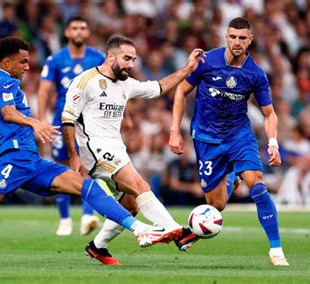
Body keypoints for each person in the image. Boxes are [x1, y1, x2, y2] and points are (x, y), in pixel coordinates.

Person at [0, 36, 183, 255]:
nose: (27, 67)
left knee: (85, 187)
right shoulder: (6, 82)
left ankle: (138, 229)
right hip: (9, 161)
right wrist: (34, 123)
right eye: (23, 61)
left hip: (31, 161)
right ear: (8, 61)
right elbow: (10, 112)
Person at [61, 35, 205, 266]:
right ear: (110, 56)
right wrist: (74, 157)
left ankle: (97, 246)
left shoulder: (126, 84)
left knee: (131, 204)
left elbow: (159, 87)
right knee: (141, 186)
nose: (131, 64)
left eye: (134, 59)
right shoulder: (85, 81)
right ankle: (177, 232)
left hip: (116, 148)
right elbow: (67, 120)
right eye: (127, 58)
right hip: (95, 149)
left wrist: (188, 68)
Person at [168, 17, 289, 266]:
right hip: (207, 138)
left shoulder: (255, 74)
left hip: (239, 136)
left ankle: (276, 250)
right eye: (232, 37)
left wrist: (273, 142)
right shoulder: (206, 61)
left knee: (256, 184)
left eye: (242, 38)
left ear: (250, 40)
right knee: (217, 204)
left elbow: (269, 113)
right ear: (226, 37)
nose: (237, 42)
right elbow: (181, 90)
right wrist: (174, 131)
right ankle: (231, 177)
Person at [38, 16, 104, 236]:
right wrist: (41, 120)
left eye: (83, 28)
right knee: (62, 167)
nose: (78, 31)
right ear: (66, 32)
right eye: (74, 28)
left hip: (90, 122)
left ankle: (87, 215)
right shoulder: (56, 59)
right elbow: (44, 90)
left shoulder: (98, 57)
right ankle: (65, 219)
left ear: (87, 33)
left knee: (88, 166)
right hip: (62, 120)